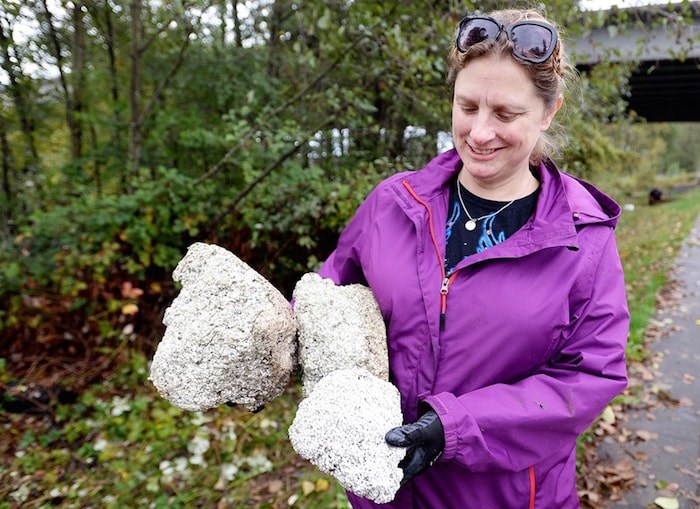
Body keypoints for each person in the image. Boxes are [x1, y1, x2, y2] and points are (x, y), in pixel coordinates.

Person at [317, 8, 629, 509]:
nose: (480, 133)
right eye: (467, 107)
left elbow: (591, 374)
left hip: (505, 496)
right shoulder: (392, 204)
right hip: (384, 489)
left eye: (505, 114)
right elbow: (328, 298)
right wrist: (269, 340)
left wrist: (455, 427)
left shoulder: (583, 238)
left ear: (549, 112)